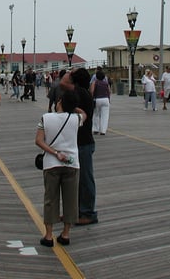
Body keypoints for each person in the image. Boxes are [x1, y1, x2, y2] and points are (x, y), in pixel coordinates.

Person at [35, 89, 84, 247]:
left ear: (60, 101)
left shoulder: (46, 118)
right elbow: (84, 113)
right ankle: (65, 234)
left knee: (51, 199)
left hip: (51, 164)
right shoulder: (75, 118)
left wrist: (55, 153)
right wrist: (73, 106)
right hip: (72, 164)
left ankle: (49, 235)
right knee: (71, 200)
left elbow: (39, 141)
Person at [61, 68, 96, 225]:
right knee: (76, 179)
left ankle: (88, 212)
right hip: (79, 142)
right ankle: (75, 212)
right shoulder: (83, 93)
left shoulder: (81, 92)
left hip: (83, 143)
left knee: (85, 179)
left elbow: (63, 83)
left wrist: (69, 73)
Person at [90, 70, 111, 135]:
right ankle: (103, 131)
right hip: (106, 99)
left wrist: (91, 98)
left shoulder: (95, 82)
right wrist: (109, 99)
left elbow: (92, 91)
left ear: (96, 76)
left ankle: (96, 129)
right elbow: (109, 91)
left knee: (96, 114)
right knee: (105, 116)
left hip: (97, 99)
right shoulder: (106, 83)